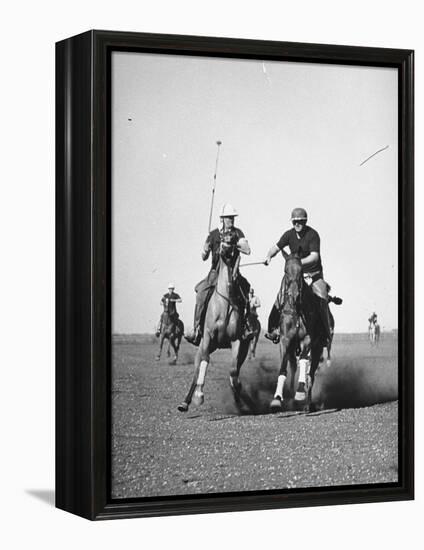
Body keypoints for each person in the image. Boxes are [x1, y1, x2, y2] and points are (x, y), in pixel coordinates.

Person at [264, 207, 341, 345]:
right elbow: (276, 247)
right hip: (295, 276)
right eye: (294, 222)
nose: (297, 224)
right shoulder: (289, 234)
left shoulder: (313, 235)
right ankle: (273, 329)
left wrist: (297, 262)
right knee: (280, 297)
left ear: (305, 221)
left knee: (322, 298)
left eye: (300, 221)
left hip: (314, 275)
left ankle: (325, 333)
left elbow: (314, 257)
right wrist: (269, 256)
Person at [185, 203, 252, 346]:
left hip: (234, 272)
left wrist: (232, 244)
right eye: (228, 218)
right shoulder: (214, 234)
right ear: (222, 218)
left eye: (232, 217)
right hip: (215, 273)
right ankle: (196, 328)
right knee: (201, 293)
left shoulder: (238, 233)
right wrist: (205, 247)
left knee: (246, 289)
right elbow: (203, 257)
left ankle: (245, 326)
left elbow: (247, 249)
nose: (231, 220)